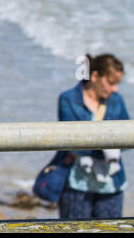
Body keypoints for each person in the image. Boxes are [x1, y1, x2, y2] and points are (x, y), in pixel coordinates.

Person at [52, 54, 128, 219]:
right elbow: (69, 141)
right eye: (111, 82)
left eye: (117, 84)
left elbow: (128, 138)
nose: (115, 89)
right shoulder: (68, 99)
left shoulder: (117, 100)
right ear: (95, 76)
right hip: (76, 183)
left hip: (111, 183)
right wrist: (108, 147)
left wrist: (89, 148)